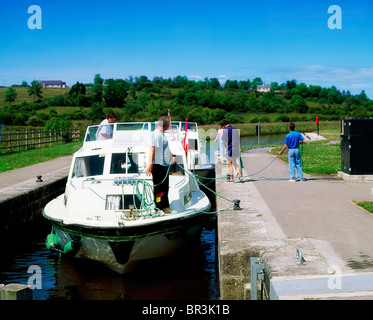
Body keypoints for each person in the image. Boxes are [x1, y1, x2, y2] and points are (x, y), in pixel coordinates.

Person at [145, 116, 175, 214]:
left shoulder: (162, 134)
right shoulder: (156, 135)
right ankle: (158, 207)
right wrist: (150, 165)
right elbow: (152, 149)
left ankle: (165, 206)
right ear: (165, 125)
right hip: (158, 165)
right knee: (159, 188)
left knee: (164, 186)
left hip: (164, 165)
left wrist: (172, 157)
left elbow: (165, 148)